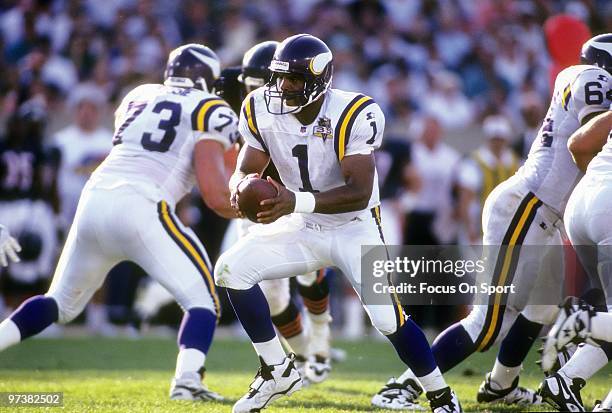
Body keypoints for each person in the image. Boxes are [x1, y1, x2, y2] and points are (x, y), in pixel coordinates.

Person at [214, 33, 461, 413]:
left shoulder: (353, 111)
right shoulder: (259, 106)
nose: (284, 87)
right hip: (301, 223)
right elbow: (246, 166)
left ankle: (442, 396)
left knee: (387, 319)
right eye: (280, 78)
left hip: (354, 226)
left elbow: (359, 191)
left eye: (295, 79)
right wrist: (239, 186)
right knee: (230, 270)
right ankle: (277, 369)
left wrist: (294, 200)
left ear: (318, 80)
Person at [372, 32, 612, 410]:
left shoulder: (580, 78)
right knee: (488, 323)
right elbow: (587, 144)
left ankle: (501, 384)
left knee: (542, 309)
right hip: (529, 206)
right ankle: (401, 387)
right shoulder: (592, 78)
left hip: (543, 211)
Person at [0, 43, 239, 402]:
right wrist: (256, 207)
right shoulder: (211, 108)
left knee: (59, 303)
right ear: (207, 79)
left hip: (95, 195)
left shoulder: (138, 95)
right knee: (202, 301)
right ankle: (188, 381)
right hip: (142, 203)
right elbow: (215, 193)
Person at [218, 40, 334, 384]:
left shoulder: (313, 104)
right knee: (269, 295)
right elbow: (240, 163)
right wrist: (239, 189)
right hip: (261, 203)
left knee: (310, 274)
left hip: (299, 196)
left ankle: (321, 343)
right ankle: (303, 354)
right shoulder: (242, 101)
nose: (267, 94)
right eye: (251, 87)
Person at [539, 96, 612, 411]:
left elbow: (579, 143)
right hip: (608, 208)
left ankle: (568, 382)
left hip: (586, 197)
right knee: (607, 317)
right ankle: (581, 321)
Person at [456, 115, 520, 244]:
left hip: (508, 227)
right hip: (479, 229)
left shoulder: (513, 161)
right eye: (494, 139)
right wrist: (469, 229)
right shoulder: (474, 163)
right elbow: (465, 199)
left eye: (500, 139)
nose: (497, 143)